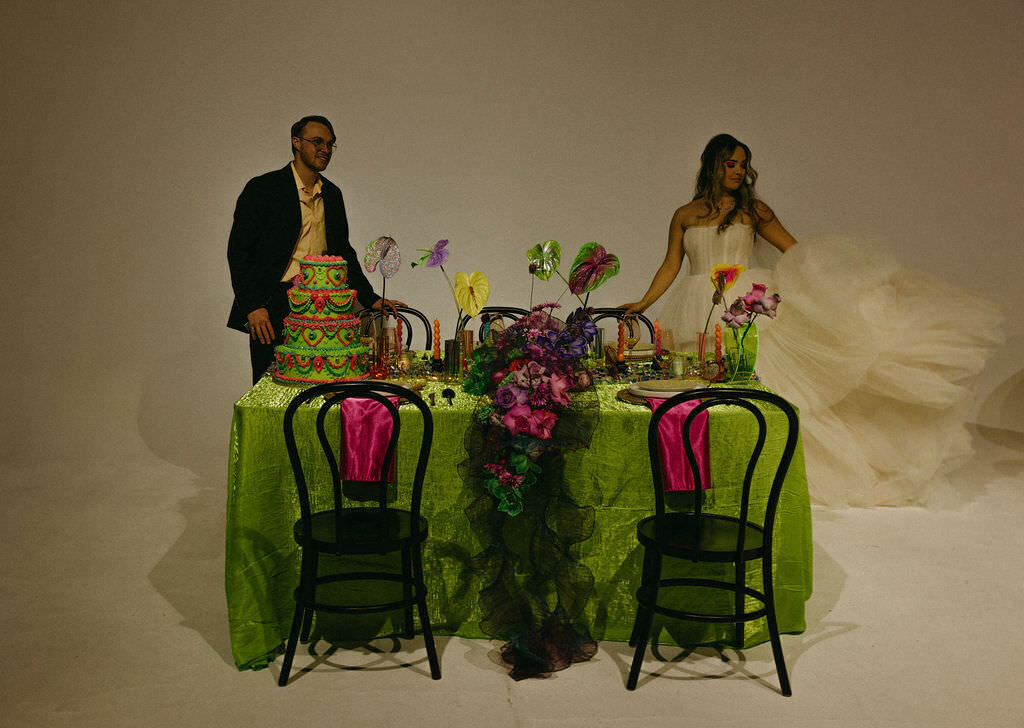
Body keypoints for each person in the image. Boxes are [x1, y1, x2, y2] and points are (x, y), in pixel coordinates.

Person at [619, 133, 1003, 507]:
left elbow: (795, 252)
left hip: (746, 302)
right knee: (703, 387)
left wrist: (822, 284)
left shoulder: (754, 211)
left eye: (744, 165)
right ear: (713, 165)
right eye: (731, 163)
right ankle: (714, 472)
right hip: (695, 306)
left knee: (763, 383)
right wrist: (645, 301)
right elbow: (672, 264)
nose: (739, 171)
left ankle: (767, 468)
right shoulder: (685, 215)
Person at [227, 115, 403, 384]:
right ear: (296, 143)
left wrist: (369, 297)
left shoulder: (332, 194)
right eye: (317, 142)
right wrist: (252, 306)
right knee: (270, 388)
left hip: (323, 309)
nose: (325, 149)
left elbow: (343, 252)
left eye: (330, 144)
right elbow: (239, 252)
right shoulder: (263, 189)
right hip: (273, 305)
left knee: (325, 387)